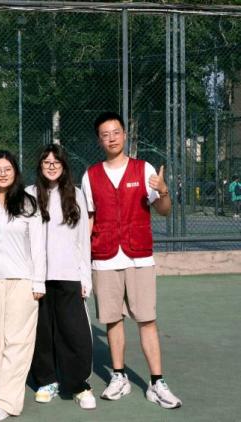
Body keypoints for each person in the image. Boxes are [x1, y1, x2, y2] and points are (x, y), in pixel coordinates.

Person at [81, 111, 182, 409]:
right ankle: (119, 376)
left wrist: (163, 190)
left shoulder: (144, 168)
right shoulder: (90, 175)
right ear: (99, 141)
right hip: (104, 258)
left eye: (116, 132)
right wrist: (82, 261)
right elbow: (89, 219)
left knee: (147, 320)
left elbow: (164, 210)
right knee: (113, 320)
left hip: (139, 257)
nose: (111, 138)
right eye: (105, 134)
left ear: (125, 135)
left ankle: (157, 382)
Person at [0, 150, 45, 421]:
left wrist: (39, 280)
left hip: (23, 280)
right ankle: (3, 393)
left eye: (7, 169)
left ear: (15, 172)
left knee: (19, 342)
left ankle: (5, 402)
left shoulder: (28, 204)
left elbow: (38, 246)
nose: (3, 174)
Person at [28, 144, 95, 410]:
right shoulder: (29, 194)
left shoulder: (76, 195)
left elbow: (83, 240)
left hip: (69, 275)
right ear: (40, 166)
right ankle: (47, 381)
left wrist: (85, 277)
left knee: (74, 333)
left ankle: (78, 384)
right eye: (46, 162)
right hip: (38, 278)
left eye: (56, 162)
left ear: (64, 166)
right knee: (42, 333)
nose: (52, 166)